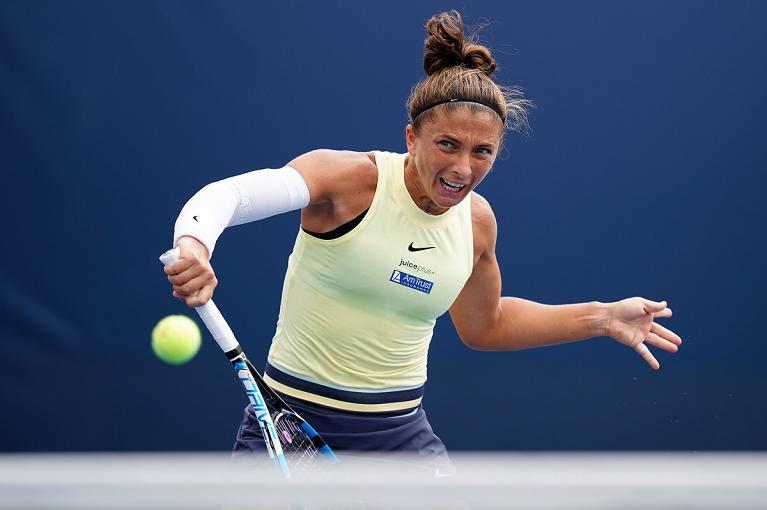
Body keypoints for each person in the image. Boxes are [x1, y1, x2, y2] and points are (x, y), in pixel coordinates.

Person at [163, 11, 682, 470]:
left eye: (482, 152)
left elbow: (486, 324)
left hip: (399, 439)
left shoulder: (477, 222)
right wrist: (194, 245)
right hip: (289, 424)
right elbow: (226, 197)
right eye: (448, 145)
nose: (462, 167)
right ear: (412, 138)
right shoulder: (348, 182)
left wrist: (602, 318)